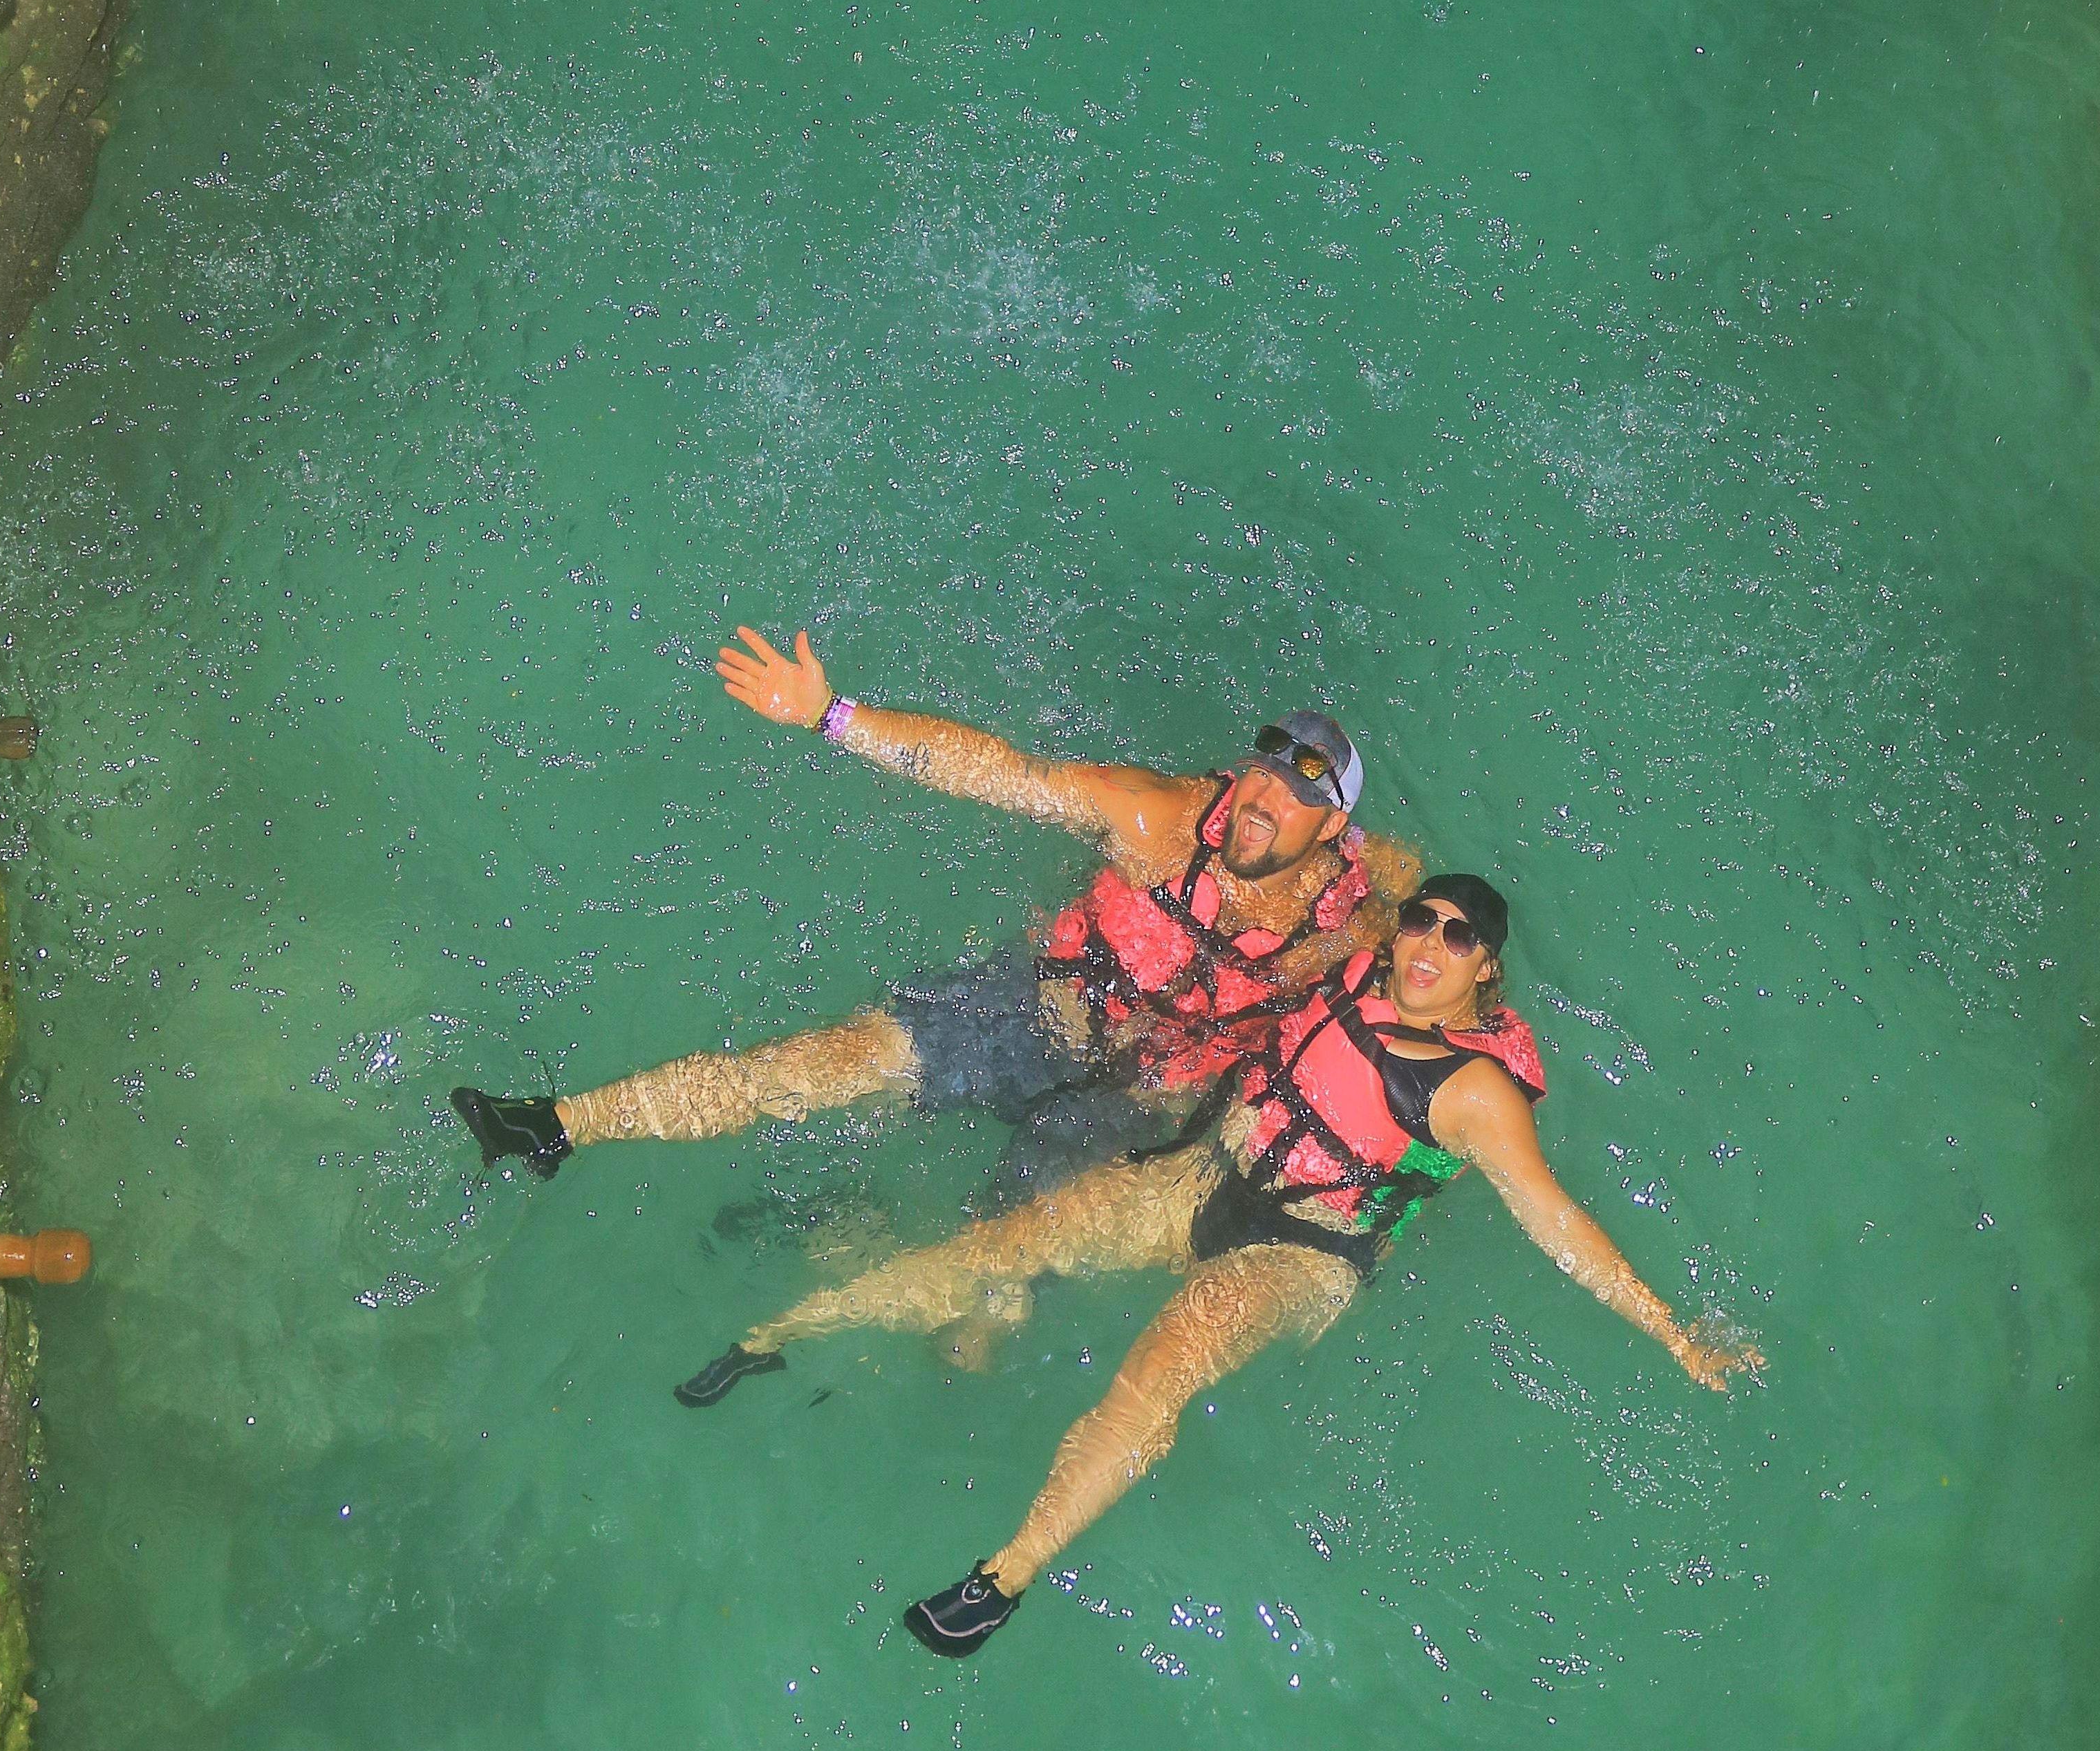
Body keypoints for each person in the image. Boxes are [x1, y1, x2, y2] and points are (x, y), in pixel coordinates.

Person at [672, 875, 1761, 1656]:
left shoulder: (1474, 1089)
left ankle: (1003, 1577)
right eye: (1423, 921)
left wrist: (1670, 1330)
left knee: (1166, 1360)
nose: (1429, 941)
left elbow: (1550, 1214)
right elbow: (1345, 882)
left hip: (1305, 1250)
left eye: (1459, 935)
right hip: (1203, 1178)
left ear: (1488, 966)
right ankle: (783, 1335)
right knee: (1000, 1245)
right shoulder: (1370, 967)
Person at [450, 626, 1421, 1217]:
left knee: (990, 1277)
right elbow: (1002, 772)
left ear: (1334, 823)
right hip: (1040, 1007)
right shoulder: (1157, 818)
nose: (1262, 797)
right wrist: (833, 715)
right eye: (1261, 769)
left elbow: (1433, 990)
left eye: (1295, 791)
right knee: (832, 1060)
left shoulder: (1363, 918)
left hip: (1138, 1099)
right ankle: (557, 1127)